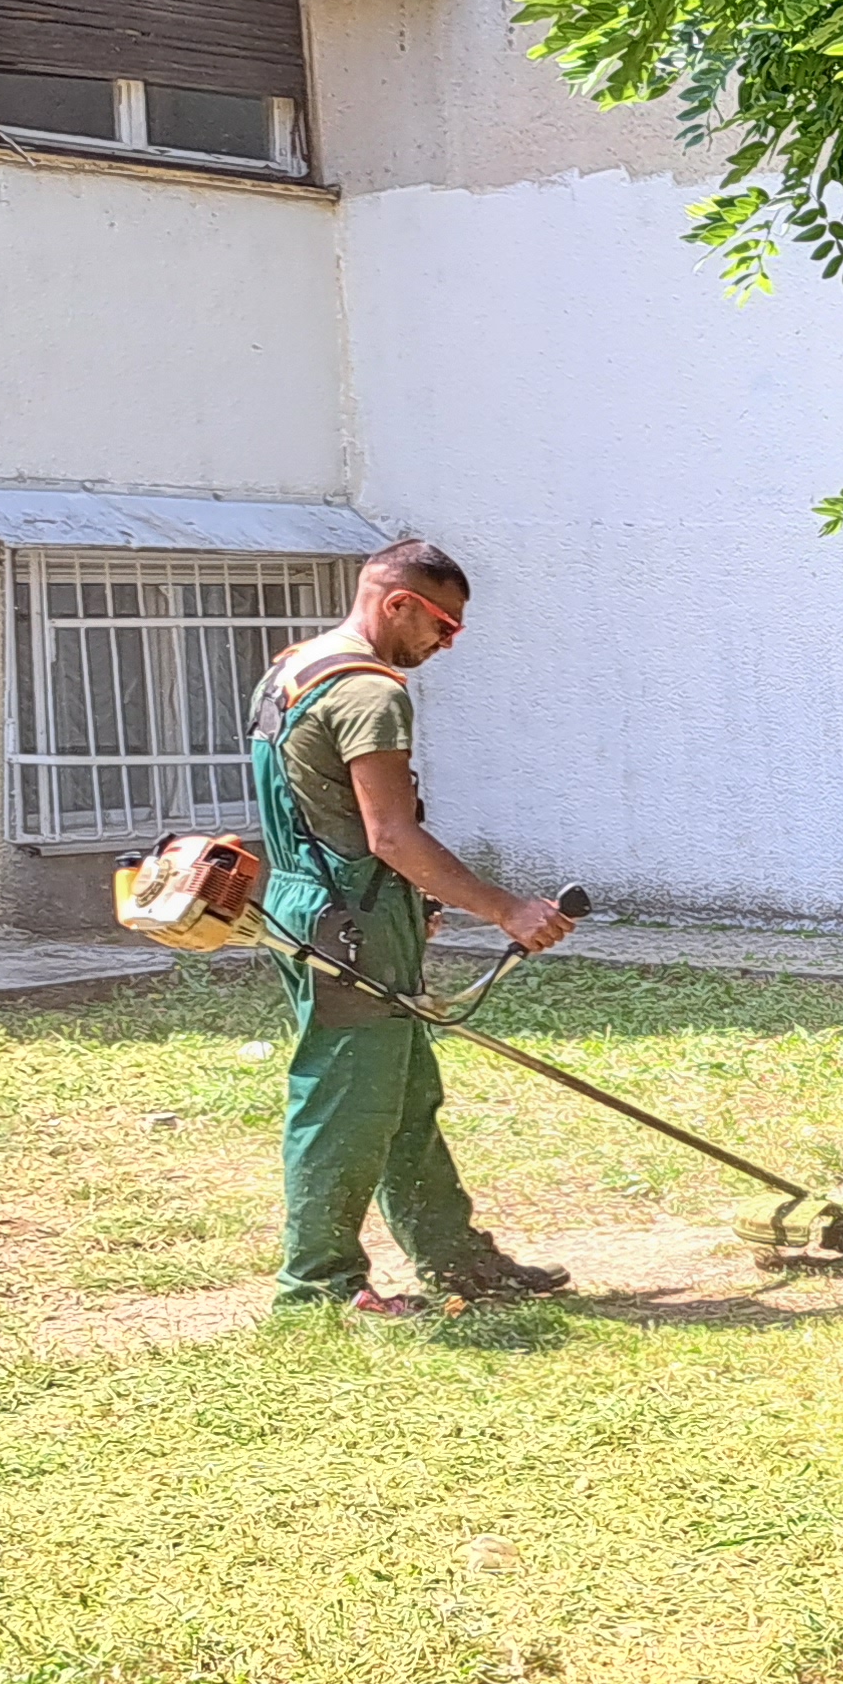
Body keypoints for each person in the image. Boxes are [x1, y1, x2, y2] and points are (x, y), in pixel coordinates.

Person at [248, 536, 581, 1314]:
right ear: (397, 603)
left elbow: (317, 813)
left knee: (400, 1096)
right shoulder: (371, 693)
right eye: (443, 624)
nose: (446, 642)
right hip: (350, 919)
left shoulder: (294, 668)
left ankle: (458, 1262)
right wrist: (508, 909)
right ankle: (319, 1286)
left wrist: (416, 902)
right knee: (344, 1098)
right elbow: (390, 835)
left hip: (322, 903)